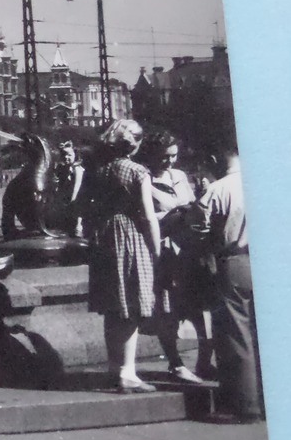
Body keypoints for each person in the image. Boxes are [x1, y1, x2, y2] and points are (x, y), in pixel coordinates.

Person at [84, 119, 161, 393]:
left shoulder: (97, 169)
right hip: (130, 234)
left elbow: (82, 205)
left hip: (104, 236)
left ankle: (113, 367)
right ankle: (128, 371)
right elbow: (149, 216)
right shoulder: (137, 171)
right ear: (135, 144)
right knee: (131, 304)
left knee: (113, 306)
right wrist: (157, 249)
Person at [188, 140, 262, 422]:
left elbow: (197, 232)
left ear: (214, 158)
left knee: (237, 336)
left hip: (233, 263)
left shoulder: (218, 190)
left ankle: (245, 405)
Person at [137, 131, 208, 383]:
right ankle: (175, 363)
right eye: (165, 157)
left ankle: (204, 359)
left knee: (197, 308)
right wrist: (171, 217)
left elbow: (191, 204)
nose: (170, 162)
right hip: (164, 252)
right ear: (153, 155)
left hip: (187, 251)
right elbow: (143, 218)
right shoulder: (144, 178)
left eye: (174, 156)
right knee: (167, 310)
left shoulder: (179, 176)